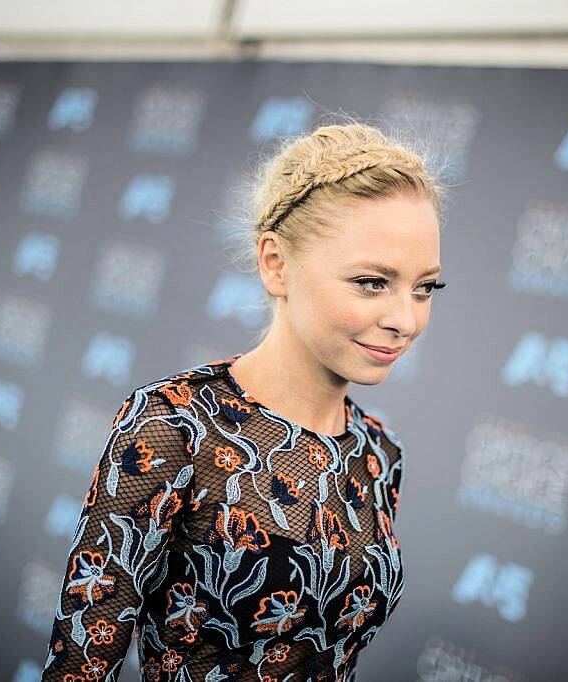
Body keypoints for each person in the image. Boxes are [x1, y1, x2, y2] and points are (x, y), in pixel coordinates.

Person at [40, 120, 447, 681]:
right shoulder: (176, 426)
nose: (405, 319)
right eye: (372, 282)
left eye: (425, 287)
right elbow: (81, 666)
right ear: (276, 264)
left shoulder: (379, 453)